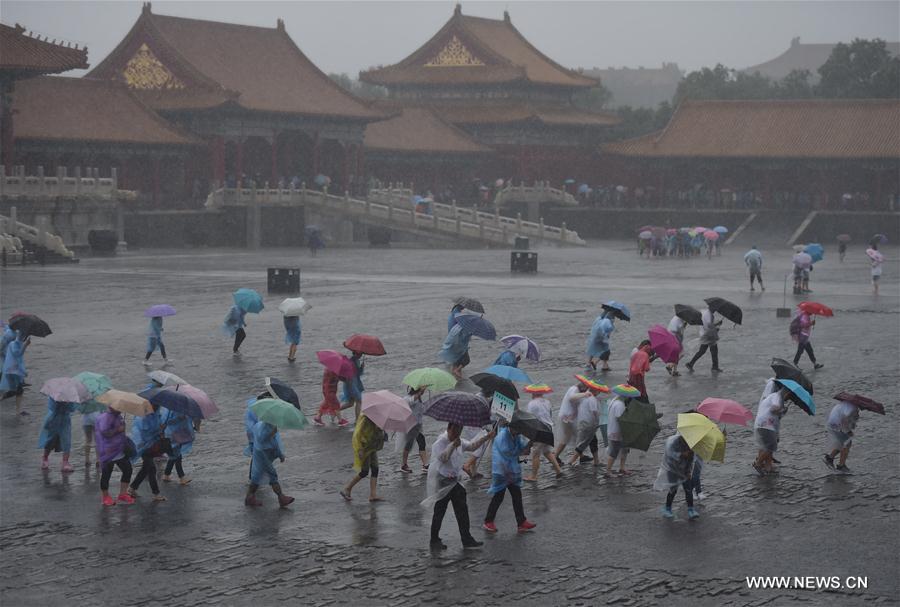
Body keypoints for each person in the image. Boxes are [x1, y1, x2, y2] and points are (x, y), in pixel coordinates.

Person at [425, 423, 494, 550]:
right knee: (439, 511)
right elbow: (443, 458)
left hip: (455, 482)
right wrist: (452, 446)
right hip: (443, 481)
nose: (457, 434)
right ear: (448, 429)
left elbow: (472, 446)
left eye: (459, 431)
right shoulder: (440, 442)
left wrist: (487, 437)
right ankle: (434, 540)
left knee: (462, 511)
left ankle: (466, 539)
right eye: (454, 431)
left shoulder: (460, 441)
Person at [483, 425, 536, 533]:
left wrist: (529, 445)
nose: (519, 431)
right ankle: (488, 521)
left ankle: (521, 522)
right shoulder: (502, 436)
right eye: (517, 428)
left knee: (517, 495)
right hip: (501, 471)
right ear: (511, 426)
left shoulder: (516, 436)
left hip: (511, 471)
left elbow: (522, 449)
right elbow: (508, 452)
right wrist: (522, 451)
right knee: (499, 496)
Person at [245, 420, 294, 507]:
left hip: (263, 454)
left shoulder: (269, 425)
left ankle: (249, 497)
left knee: (257, 476)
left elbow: (274, 442)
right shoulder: (263, 427)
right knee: (271, 475)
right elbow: (262, 439)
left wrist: (279, 454)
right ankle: (281, 497)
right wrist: (271, 433)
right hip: (262, 455)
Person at [94, 406, 135, 507]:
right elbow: (104, 433)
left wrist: (122, 427)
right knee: (106, 473)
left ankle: (123, 493)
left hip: (119, 449)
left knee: (128, 469)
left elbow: (121, 431)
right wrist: (118, 429)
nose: (120, 408)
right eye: (118, 406)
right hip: (108, 451)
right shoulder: (105, 417)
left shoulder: (118, 416)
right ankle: (105, 497)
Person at [340, 414, 385, 502]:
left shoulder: (379, 417)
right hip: (364, 448)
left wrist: (380, 429)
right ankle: (347, 488)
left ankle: (373, 495)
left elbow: (377, 432)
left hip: (372, 447)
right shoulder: (365, 419)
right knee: (364, 472)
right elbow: (357, 434)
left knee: (375, 469)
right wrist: (360, 449)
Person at [654, 434, 699, 520]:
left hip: (684, 470)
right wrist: (681, 454)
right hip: (672, 470)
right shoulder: (675, 442)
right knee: (673, 490)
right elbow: (670, 454)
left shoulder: (692, 443)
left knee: (688, 490)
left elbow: (691, 459)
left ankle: (691, 510)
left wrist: (689, 471)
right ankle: (667, 508)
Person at [128, 405, 167, 502]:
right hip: (143, 446)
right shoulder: (144, 417)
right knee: (151, 469)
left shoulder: (156, 414)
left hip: (150, 446)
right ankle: (156, 493)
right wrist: (158, 430)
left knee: (145, 469)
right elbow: (145, 432)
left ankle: (132, 488)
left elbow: (155, 428)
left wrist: (161, 428)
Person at [523, 385, 562, 480]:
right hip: (549, 428)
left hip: (539, 430)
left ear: (534, 393)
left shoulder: (532, 403)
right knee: (547, 451)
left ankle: (534, 476)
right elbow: (550, 414)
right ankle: (558, 470)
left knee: (536, 454)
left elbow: (529, 418)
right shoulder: (547, 402)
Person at [752, 380, 788, 476]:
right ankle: (758, 463)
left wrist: (782, 412)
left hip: (765, 424)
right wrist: (781, 409)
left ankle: (768, 467)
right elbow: (773, 409)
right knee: (770, 446)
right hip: (765, 425)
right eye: (789, 395)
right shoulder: (776, 396)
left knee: (767, 445)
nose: (788, 398)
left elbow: (776, 415)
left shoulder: (777, 397)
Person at [553, 377, 593, 462]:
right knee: (567, 438)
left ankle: (581, 455)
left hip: (570, 418)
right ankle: (555, 456)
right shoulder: (574, 389)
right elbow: (571, 398)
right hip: (567, 418)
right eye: (586, 387)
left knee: (576, 437)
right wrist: (585, 394)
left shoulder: (577, 390)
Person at [38, 398, 78, 472]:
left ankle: (65, 462)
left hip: (65, 420)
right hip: (53, 419)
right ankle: (45, 458)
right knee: (50, 440)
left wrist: (68, 403)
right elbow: (51, 406)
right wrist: (58, 403)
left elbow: (73, 409)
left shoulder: (70, 396)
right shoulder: (54, 394)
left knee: (66, 441)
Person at [568, 386, 602, 467]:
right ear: (595, 390)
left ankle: (596, 461)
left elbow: (572, 399)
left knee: (593, 440)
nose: (599, 393)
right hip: (590, 424)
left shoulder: (583, 397)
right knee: (583, 443)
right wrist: (599, 422)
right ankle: (571, 461)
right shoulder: (592, 398)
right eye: (599, 391)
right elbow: (595, 412)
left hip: (582, 422)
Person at [824, 400, 860, 472]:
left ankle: (830, 458)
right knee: (847, 442)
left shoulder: (846, 404)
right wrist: (848, 431)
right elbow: (845, 418)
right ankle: (841, 465)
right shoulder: (852, 408)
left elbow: (847, 420)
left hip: (831, 423)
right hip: (836, 424)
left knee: (842, 442)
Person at [161, 407, 194, 485]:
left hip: (179, 434)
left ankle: (166, 474)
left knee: (174, 455)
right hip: (171, 435)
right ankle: (182, 477)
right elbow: (165, 422)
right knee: (177, 456)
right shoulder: (168, 410)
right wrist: (178, 419)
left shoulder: (182, 409)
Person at [685, 305, 723, 373]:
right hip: (708, 335)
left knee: (702, 351)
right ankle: (714, 367)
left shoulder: (704, 312)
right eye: (715, 308)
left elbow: (707, 324)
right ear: (712, 307)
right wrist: (717, 326)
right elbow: (709, 325)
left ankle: (690, 364)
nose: (716, 310)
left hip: (704, 333)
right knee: (713, 350)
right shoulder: (709, 315)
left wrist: (717, 323)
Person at [0, 332, 30, 415]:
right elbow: (18, 355)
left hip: (12, 370)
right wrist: (26, 345)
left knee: (16, 390)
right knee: (17, 390)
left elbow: (19, 358)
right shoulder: (14, 344)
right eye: (24, 336)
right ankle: (18, 410)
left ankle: (18, 410)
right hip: (13, 371)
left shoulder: (16, 343)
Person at [400, 386, 428, 474]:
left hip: (417, 426)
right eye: (422, 390)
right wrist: (419, 393)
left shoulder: (419, 399)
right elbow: (409, 402)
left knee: (421, 442)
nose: (424, 391)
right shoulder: (408, 398)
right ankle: (404, 465)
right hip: (410, 426)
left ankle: (425, 465)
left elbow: (421, 412)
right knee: (409, 445)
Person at [605, 391, 632, 477]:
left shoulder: (614, 400)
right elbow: (621, 419)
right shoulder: (620, 404)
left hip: (615, 430)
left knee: (625, 449)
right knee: (614, 451)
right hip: (617, 431)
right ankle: (608, 471)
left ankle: (622, 467)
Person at [343, 351, 366, 421]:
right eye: (359, 354)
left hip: (355, 383)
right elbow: (348, 375)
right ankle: (357, 420)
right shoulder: (350, 362)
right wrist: (350, 387)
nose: (360, 355)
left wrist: (362, 367)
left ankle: (335, 411)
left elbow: (359, 373)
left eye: (361, 354)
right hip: (351, 384)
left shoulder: (357, 361)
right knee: (359, 400)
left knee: (350, 403)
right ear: (355, 353)